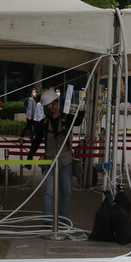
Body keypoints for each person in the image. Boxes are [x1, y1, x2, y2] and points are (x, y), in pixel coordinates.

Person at [40, 88, 83, 222]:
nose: (47, 109)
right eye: (45, 107)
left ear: (55, 104)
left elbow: (79, 120)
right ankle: (48, 221)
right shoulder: (44, 123)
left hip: (65, 161)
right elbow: (36, 140)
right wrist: (29, 158)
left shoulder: (67, 119)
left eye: (48, 106)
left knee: (66, 192)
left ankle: (63, 220)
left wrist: (82, 105)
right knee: (49, 193)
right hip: (49, 162)